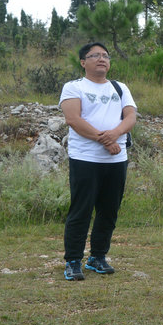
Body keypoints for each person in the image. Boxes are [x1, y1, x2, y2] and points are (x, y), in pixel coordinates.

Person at [60, 42, 136, 281]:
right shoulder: (74, 87)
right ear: (83, 62)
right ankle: (73, 260)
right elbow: (73, 119)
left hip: (116, 160)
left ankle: (98, 257)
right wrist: (106, 140)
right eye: (95, 56)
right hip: (85, 158)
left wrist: (115, 135)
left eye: (105, 55)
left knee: (109, 210)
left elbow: (130, 116)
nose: (101, 59)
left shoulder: (119, 87)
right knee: (81, 210)